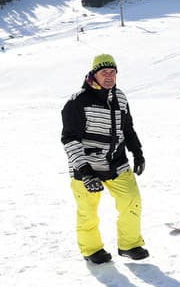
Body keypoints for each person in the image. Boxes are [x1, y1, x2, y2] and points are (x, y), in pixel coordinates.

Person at [61, 54, 148, 264]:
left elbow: (127, 128)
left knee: (131, 200)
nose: (109, 76)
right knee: (88, 212)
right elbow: (69, 140)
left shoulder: (120, 97)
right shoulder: (77, 102)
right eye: (104, 72)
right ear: (94, 74)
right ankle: (92, 250)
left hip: (117, 163)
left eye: (112, 72)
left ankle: (129, 244)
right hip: (86, 166)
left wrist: (137, 152)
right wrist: (86, 172)